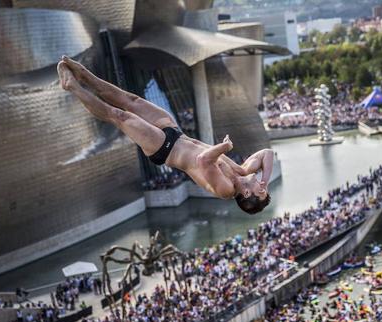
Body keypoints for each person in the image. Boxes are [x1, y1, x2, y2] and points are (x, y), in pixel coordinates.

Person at [57, 56, 273, 214]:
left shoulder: (226, 189)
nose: (263, 186)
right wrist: (264, 178)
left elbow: (203, 160)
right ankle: (83, 73)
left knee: (119, 116)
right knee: (131, 100)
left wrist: (224, 148)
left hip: (164, 149)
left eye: (260, 190)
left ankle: (73, 87)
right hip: (175, 134)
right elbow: (267, 153)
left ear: (246, 194)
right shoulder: (243, 170)